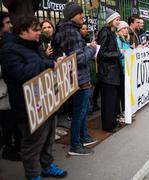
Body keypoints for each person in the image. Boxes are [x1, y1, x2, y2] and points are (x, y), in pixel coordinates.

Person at [0, 16, 67, 180]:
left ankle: (46, 166)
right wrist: (46, 64)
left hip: (46, 101)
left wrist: (53, 61)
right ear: (23, 31)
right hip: (28, 106)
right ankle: (33, 175)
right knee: (32, 143)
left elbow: (42, 63)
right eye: (36, 30)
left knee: (48, 139)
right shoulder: (8, 49)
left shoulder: (34, 46)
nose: (40, 32)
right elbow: (19, 73)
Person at [52, 2, 98, 155]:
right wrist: (91, 49)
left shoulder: (67, 30)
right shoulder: (71, 32)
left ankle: (83, 137)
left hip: (76, 78)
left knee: (82, 111)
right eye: (80, 13)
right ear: (72, 15)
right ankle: (75, 146)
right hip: (79, 78)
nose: (83, 16)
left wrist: (86, 47)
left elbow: (74, 54)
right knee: (80, 112)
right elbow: (78, 60)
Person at [0, 11, 22, 161]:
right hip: (2, 91)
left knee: (13, 121)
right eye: (7, 23)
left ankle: (16, 146)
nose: (11, 25)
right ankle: (8, 149)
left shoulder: (10, 41)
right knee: (7, 123)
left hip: (12, 88)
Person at [97, 8, 121, 132]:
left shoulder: (112, 32)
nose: (119, 22)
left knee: (113, 100)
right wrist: (118, 54)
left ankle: (112, 123)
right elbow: (100, 54)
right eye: (117, 19)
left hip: (113, 72)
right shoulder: (104, 32)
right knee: (109, 101)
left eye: (119, 20)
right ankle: (107, 126)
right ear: (110, 20)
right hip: (107, 74)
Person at [116, 21, 131, 121]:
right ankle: (121, 114)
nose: (126, 30)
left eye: (127, 28)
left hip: (127, 69)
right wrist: (130, 51)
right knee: (121, 93)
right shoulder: (117, 39)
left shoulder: (126, 40)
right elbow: (120, 53)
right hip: (121, 70)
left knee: (125, 92)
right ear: (119, 30)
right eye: (124, 28)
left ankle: (126, 111)